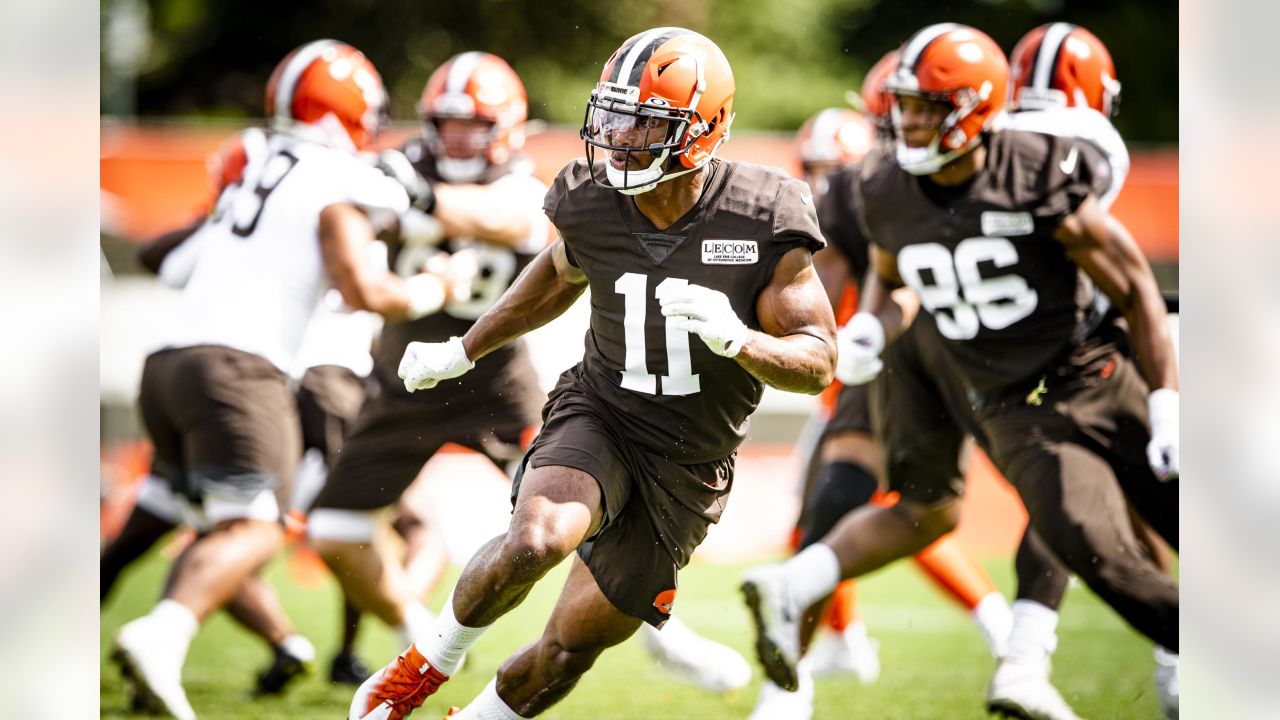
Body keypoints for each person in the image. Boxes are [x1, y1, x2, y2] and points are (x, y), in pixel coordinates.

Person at [348, 27, 837, 720]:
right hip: (602, 409)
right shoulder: (591, 196)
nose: (620, 136)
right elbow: (553, 277)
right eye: (615, 115)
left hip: (690, 460)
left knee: (570, 648)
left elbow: (818, 361)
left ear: (703, 130)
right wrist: (465, 350)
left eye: (645, 123)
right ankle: (426, 663)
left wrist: (739, 341)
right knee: (537, 537)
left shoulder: (763, 213)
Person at [741, 22, 1178, 720]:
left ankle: (1027, 649)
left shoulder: (1038, 162)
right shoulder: (880, 185)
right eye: (901, 108)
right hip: (995, 391)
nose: (906, 123)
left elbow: (1131, 286)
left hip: (1082, 366)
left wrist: (1167, 401)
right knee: (1084, 544)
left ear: (978, 108)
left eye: (922, 108)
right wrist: (864, 327)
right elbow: (885, 275)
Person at [107, 39, 467, 719]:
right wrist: (432, 283)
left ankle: (172, 653)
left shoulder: (255, 161)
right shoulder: (343, 172)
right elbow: (377, 267)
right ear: (348, 111)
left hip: (165, 365)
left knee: (213, 523)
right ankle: (162, 634)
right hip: (241, 368)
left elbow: (176, 264)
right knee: (261, 529)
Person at [997, 23, 1179, 720]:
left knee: (1074, 495)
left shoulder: (999, 141)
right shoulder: (1088, 139)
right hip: (1088, 346)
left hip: (1010, 355)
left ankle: (1029, 648)